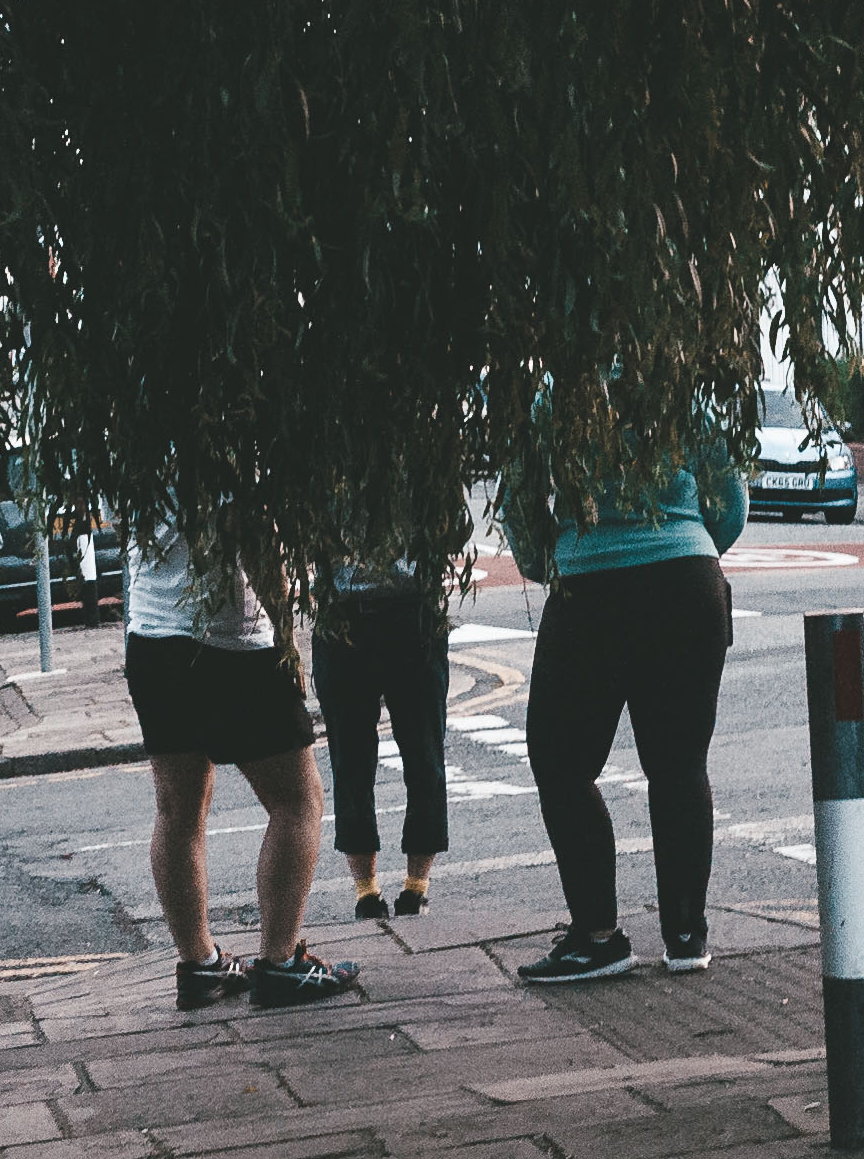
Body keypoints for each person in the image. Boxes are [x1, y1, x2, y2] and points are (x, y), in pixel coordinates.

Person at [505, 398, 744, 982]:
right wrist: (687, 545)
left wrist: (558, 558)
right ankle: (687, 935)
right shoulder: (674, 381)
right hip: (686, 582)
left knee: (561, 763)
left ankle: (597, 936)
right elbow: (730, 501)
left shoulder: (551, 396)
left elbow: (521, 501)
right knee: (679, 763)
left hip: (589, 587)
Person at [121, 506, 361, 1010]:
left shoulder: (129, 431)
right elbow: (250, 532)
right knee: (299, 800)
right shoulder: (228, 426)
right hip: (229, 638)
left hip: (151, 635)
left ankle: (200, 965)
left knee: (178, 808)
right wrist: (285, 637)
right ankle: (280, 964)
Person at [313, 545, 452, 921]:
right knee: (351, 761)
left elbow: (453, 527)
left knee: (424, 756)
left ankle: (415, 888)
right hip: (343, 620)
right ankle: (366, 893)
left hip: (412, 613)